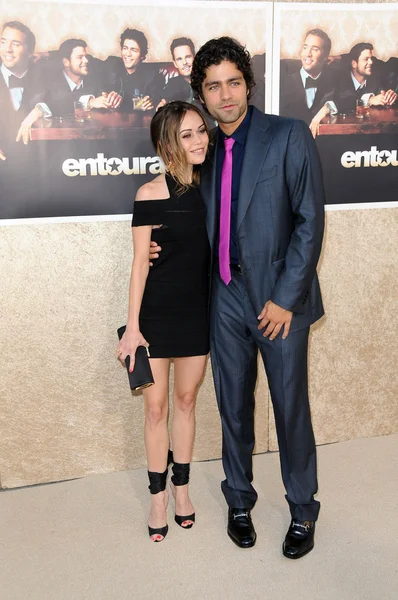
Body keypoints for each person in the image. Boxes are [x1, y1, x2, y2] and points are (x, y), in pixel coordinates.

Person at [150, 37, 325, 558]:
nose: (225, 95)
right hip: (223, 299)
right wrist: (156, 245)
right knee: (232, 406)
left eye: (232, 81)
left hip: (278, 301)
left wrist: (285, 299)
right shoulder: (200, 150)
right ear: (201, 94)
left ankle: (302, 509)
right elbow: (181, 209)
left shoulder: (288, 135)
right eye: (212, 86)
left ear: (248, 83)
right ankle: (239, 500)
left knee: (290, 406)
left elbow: (309, 223)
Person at [117, 101, 210, 542]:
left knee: (187, 402)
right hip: (156, 314)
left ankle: (182, 489)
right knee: (155, 409)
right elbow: (139, 264)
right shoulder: (149, 194)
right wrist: (133, 328)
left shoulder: (214, 187)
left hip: (198, 314)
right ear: (165, 144)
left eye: (200, 131)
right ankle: (157, 496)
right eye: (186, 135)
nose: (198, 141)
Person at [40, 39, 122, 118]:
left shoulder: (95, 81)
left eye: (85, 56)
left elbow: (105, 105)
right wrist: (89, 102)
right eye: (80, 57)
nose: (86, 60)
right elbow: (58, 104)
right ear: (66, 62)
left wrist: (113, 99)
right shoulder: (52, 84)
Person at [279, 29, 336, 138]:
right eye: (305, 47)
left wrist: (326, 108)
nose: (308, 54)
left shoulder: (332, 80)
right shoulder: (284, 81)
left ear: (325, 56)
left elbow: (349, 98)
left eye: (314, 49)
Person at [105, 28, 164, 112]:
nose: (128, 54)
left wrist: (150, 102)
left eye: (134, 50)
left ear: (142, 56)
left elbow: (153, 99)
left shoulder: (152, 76)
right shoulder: (111, 64)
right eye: (125, 48)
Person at [160, 37, 196, 103]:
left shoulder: (205, 80)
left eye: (188, 57)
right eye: (179, 59)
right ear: (175, 64)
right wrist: (162, 104)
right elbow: (164, 99)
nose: (184, 62)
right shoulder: (173, 83)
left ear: (195, 58)